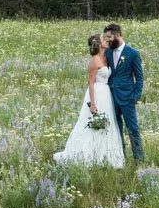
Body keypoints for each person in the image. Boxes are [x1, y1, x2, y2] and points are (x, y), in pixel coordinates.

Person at [51, 33, 125, 167]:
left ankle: (106, 155)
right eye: (103, 39)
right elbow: (90, 83)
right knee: (92, 123)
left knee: (107, 123)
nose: (105, 41)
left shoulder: (106, 57)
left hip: (106, 94)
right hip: (96, 93)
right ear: (98, 44)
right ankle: (86, 154)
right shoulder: (94, 61)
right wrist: (93, 103)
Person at [103, 23, 144, 162]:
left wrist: (136, 96)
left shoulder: (133, 53)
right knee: (116, 128)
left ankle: (139, 159)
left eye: (109, 37)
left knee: (132, 128)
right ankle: (121, 157)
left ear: (117, 35)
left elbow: (139, 77)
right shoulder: (107, 52)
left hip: (128, 97)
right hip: (111, 96)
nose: (107, 40)